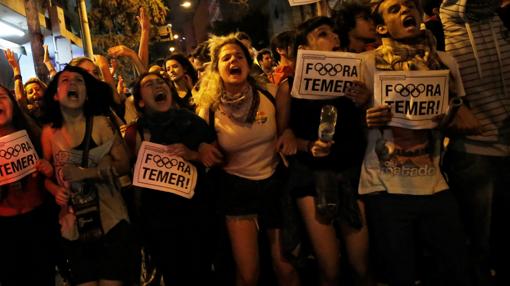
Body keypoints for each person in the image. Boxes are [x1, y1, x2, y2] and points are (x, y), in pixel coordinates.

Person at [360, 0, 471, 285]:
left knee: (454, 269)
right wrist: (365, 117)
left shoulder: (445, 62)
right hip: (385, 188)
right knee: (401, 274)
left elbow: (463, 121)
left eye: (409, 5)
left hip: (435, 183)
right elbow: (344, 124)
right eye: (394, 9)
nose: (405, 11)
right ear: (382, 27)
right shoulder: (367, 63)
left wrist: (446, 119)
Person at [194, 33, 299, 286]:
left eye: (239, 56)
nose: (233, 61)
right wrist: (201, 148)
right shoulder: (208, 108)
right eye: (226, 58)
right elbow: (200, 146)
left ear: (247, 63)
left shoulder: (271, 93)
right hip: (236, 190)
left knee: (285, 269)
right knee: (249, 274)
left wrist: (289, 133)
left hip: (275, 185)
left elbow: (287, 129)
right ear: (216, 68)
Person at [278, 16, 373, 286]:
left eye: (334, 33)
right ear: (304, 48)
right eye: (322, 34)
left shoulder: (355, 80)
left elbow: (372, 126)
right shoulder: (290, 87)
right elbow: (285, 140)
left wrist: (365, 102)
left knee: (360, 266)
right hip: (312, 178)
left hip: (352, 175)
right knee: (330, 270)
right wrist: (309, 146)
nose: (334, 38)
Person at [41, 65, 138, 286]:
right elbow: (47, 176)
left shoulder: (101, 124)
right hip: (74, 224)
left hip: (110, 220)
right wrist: (56, 190)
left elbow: (124, 163)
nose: (72, 83)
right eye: (65, 80)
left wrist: (87, 173)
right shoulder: (49, 132)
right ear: (55, 95)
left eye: (79, 80)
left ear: (86, 94)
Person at [440, 0, 510, 285]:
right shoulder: (450, 18)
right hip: (476, 150)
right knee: (480, 241)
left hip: (505, 143)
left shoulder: (501, 21)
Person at [125, 71, 216, 285]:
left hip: (197, 218)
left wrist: (194, 154)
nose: (158, 85)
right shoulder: (135, 133)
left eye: (161, 82)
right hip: (159, 224)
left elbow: (216, 158)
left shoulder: (192, 122)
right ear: (140, 101)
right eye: (149, 84)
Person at [0, 84, 58, 286]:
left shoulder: (31, 133)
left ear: (12, 104)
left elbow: (51, 174)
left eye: (2, 97)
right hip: (5, 232)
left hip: (39, 221)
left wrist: (47, 169)